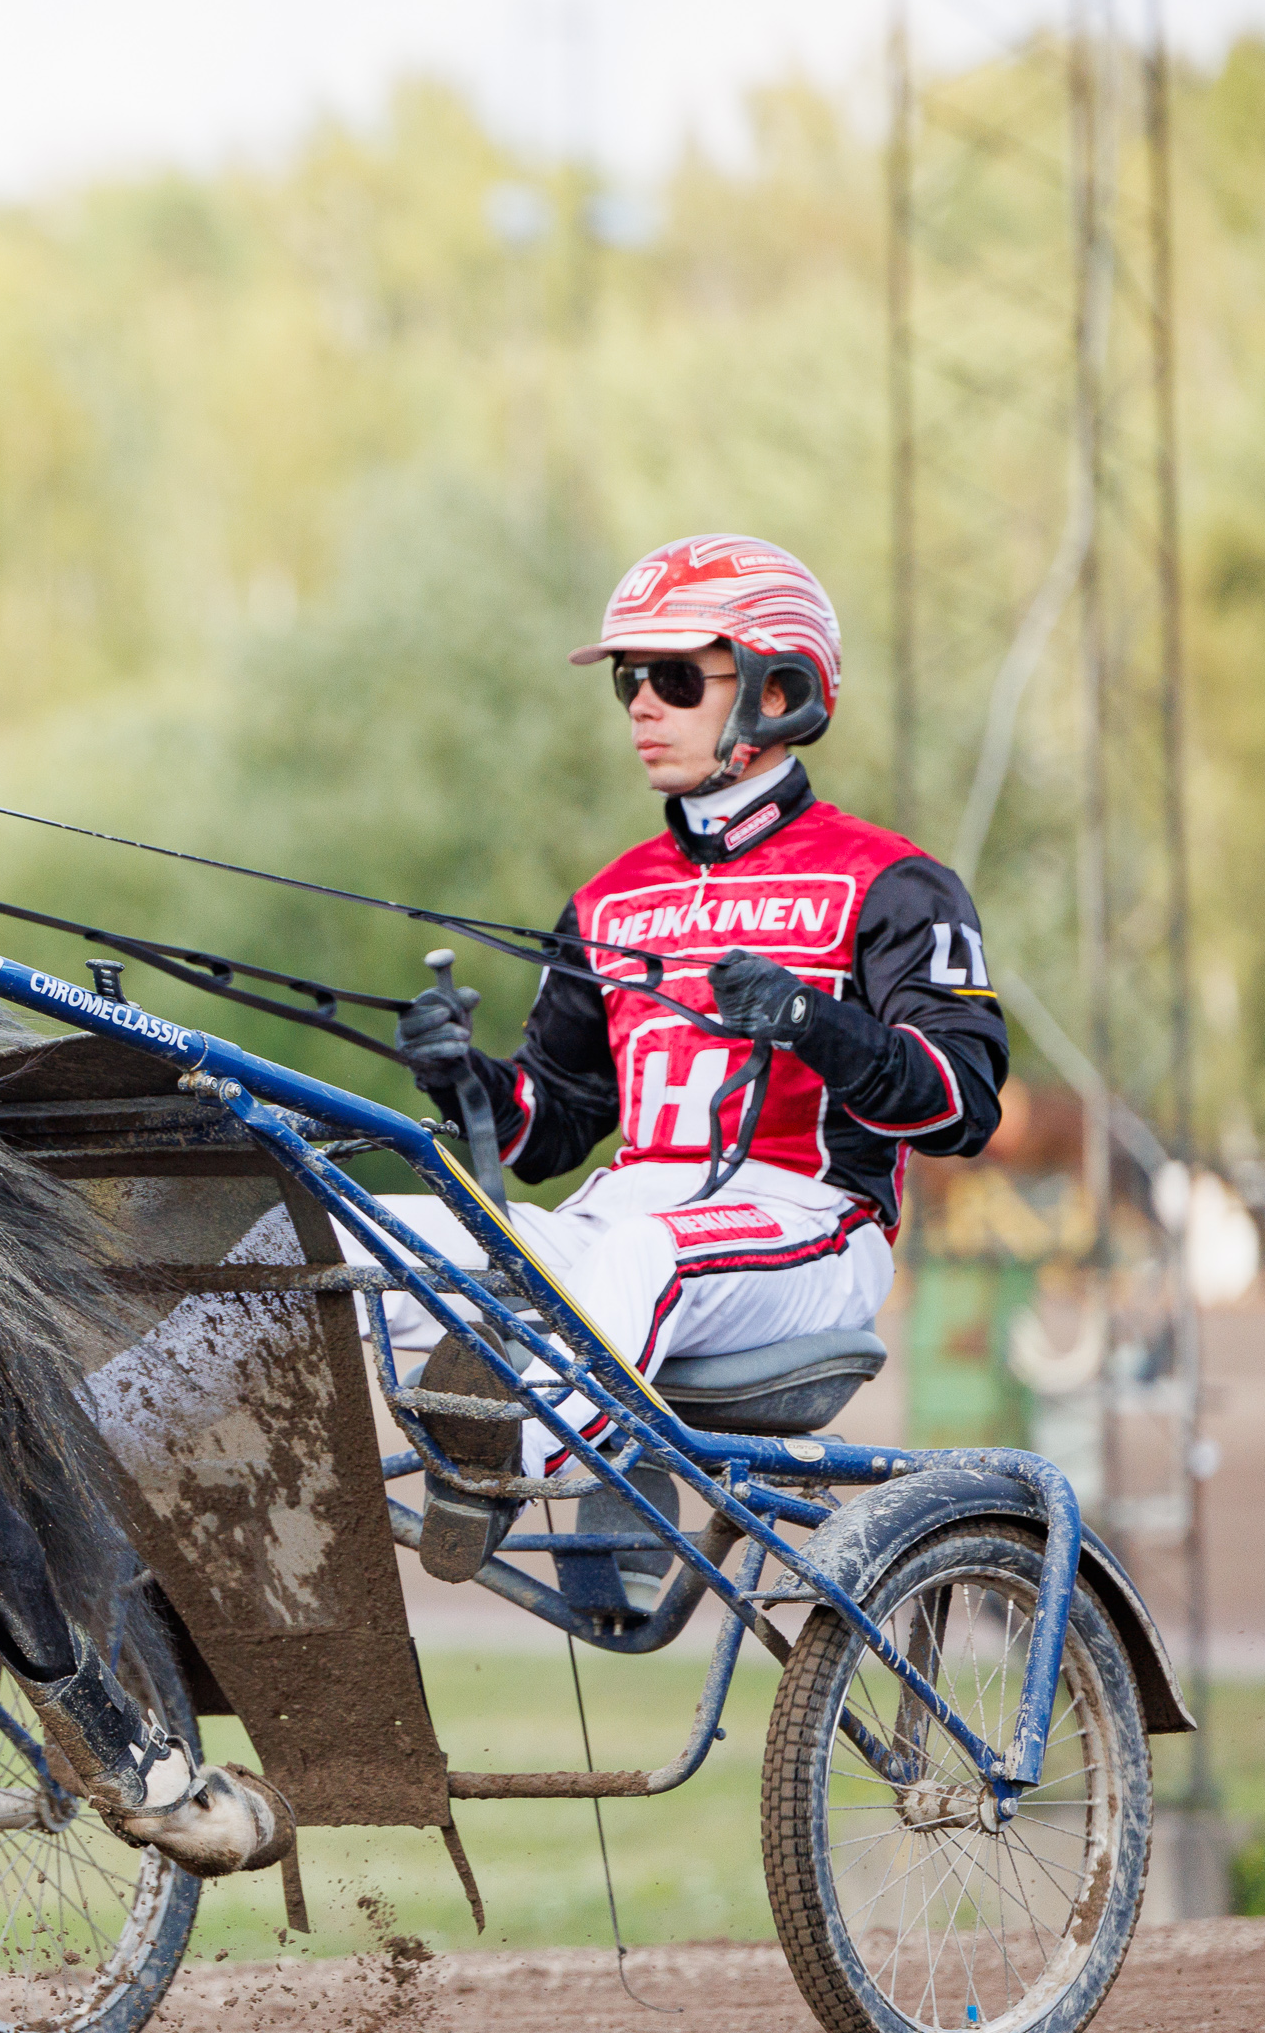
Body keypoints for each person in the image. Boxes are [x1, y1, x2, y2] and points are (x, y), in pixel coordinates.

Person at [376, 534, 1009, 1550]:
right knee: (361, 1227)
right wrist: (461, 1079)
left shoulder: (892, 883)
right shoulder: (608, 898)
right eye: (630, 679)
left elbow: (960, 1106)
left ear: (774, 690)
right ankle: (125, 1462)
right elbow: (549, 1128)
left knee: (643, 1251)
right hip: (620, 1217)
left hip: (809, 1225)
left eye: (673, 678)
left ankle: (508, 1461)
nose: (639, 705)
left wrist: (812, 1020)